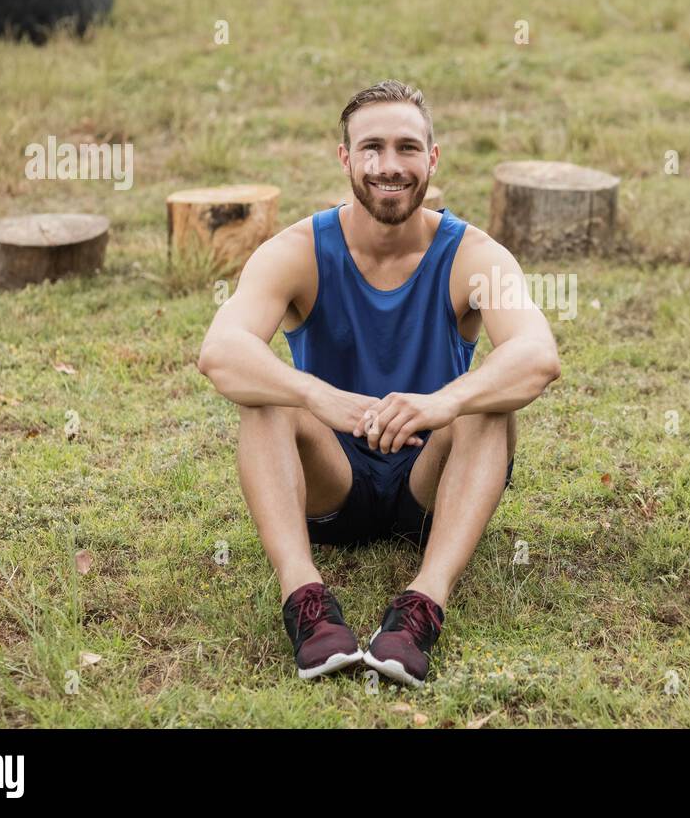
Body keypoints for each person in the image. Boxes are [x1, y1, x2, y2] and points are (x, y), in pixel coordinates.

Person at [197, 80, 561, 687]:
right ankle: (306, 603)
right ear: (345, 158)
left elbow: (537, 354)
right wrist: (319, 395)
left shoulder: (474, 255)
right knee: (264, 399)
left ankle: (424, 603)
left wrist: (442, 401)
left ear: (432, 158)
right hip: (330, 485)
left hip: (430, 488)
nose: (389, 166)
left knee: (488, 405)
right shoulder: (297, 251)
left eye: (407, 148)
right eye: (371, 148)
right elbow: (220, 352)